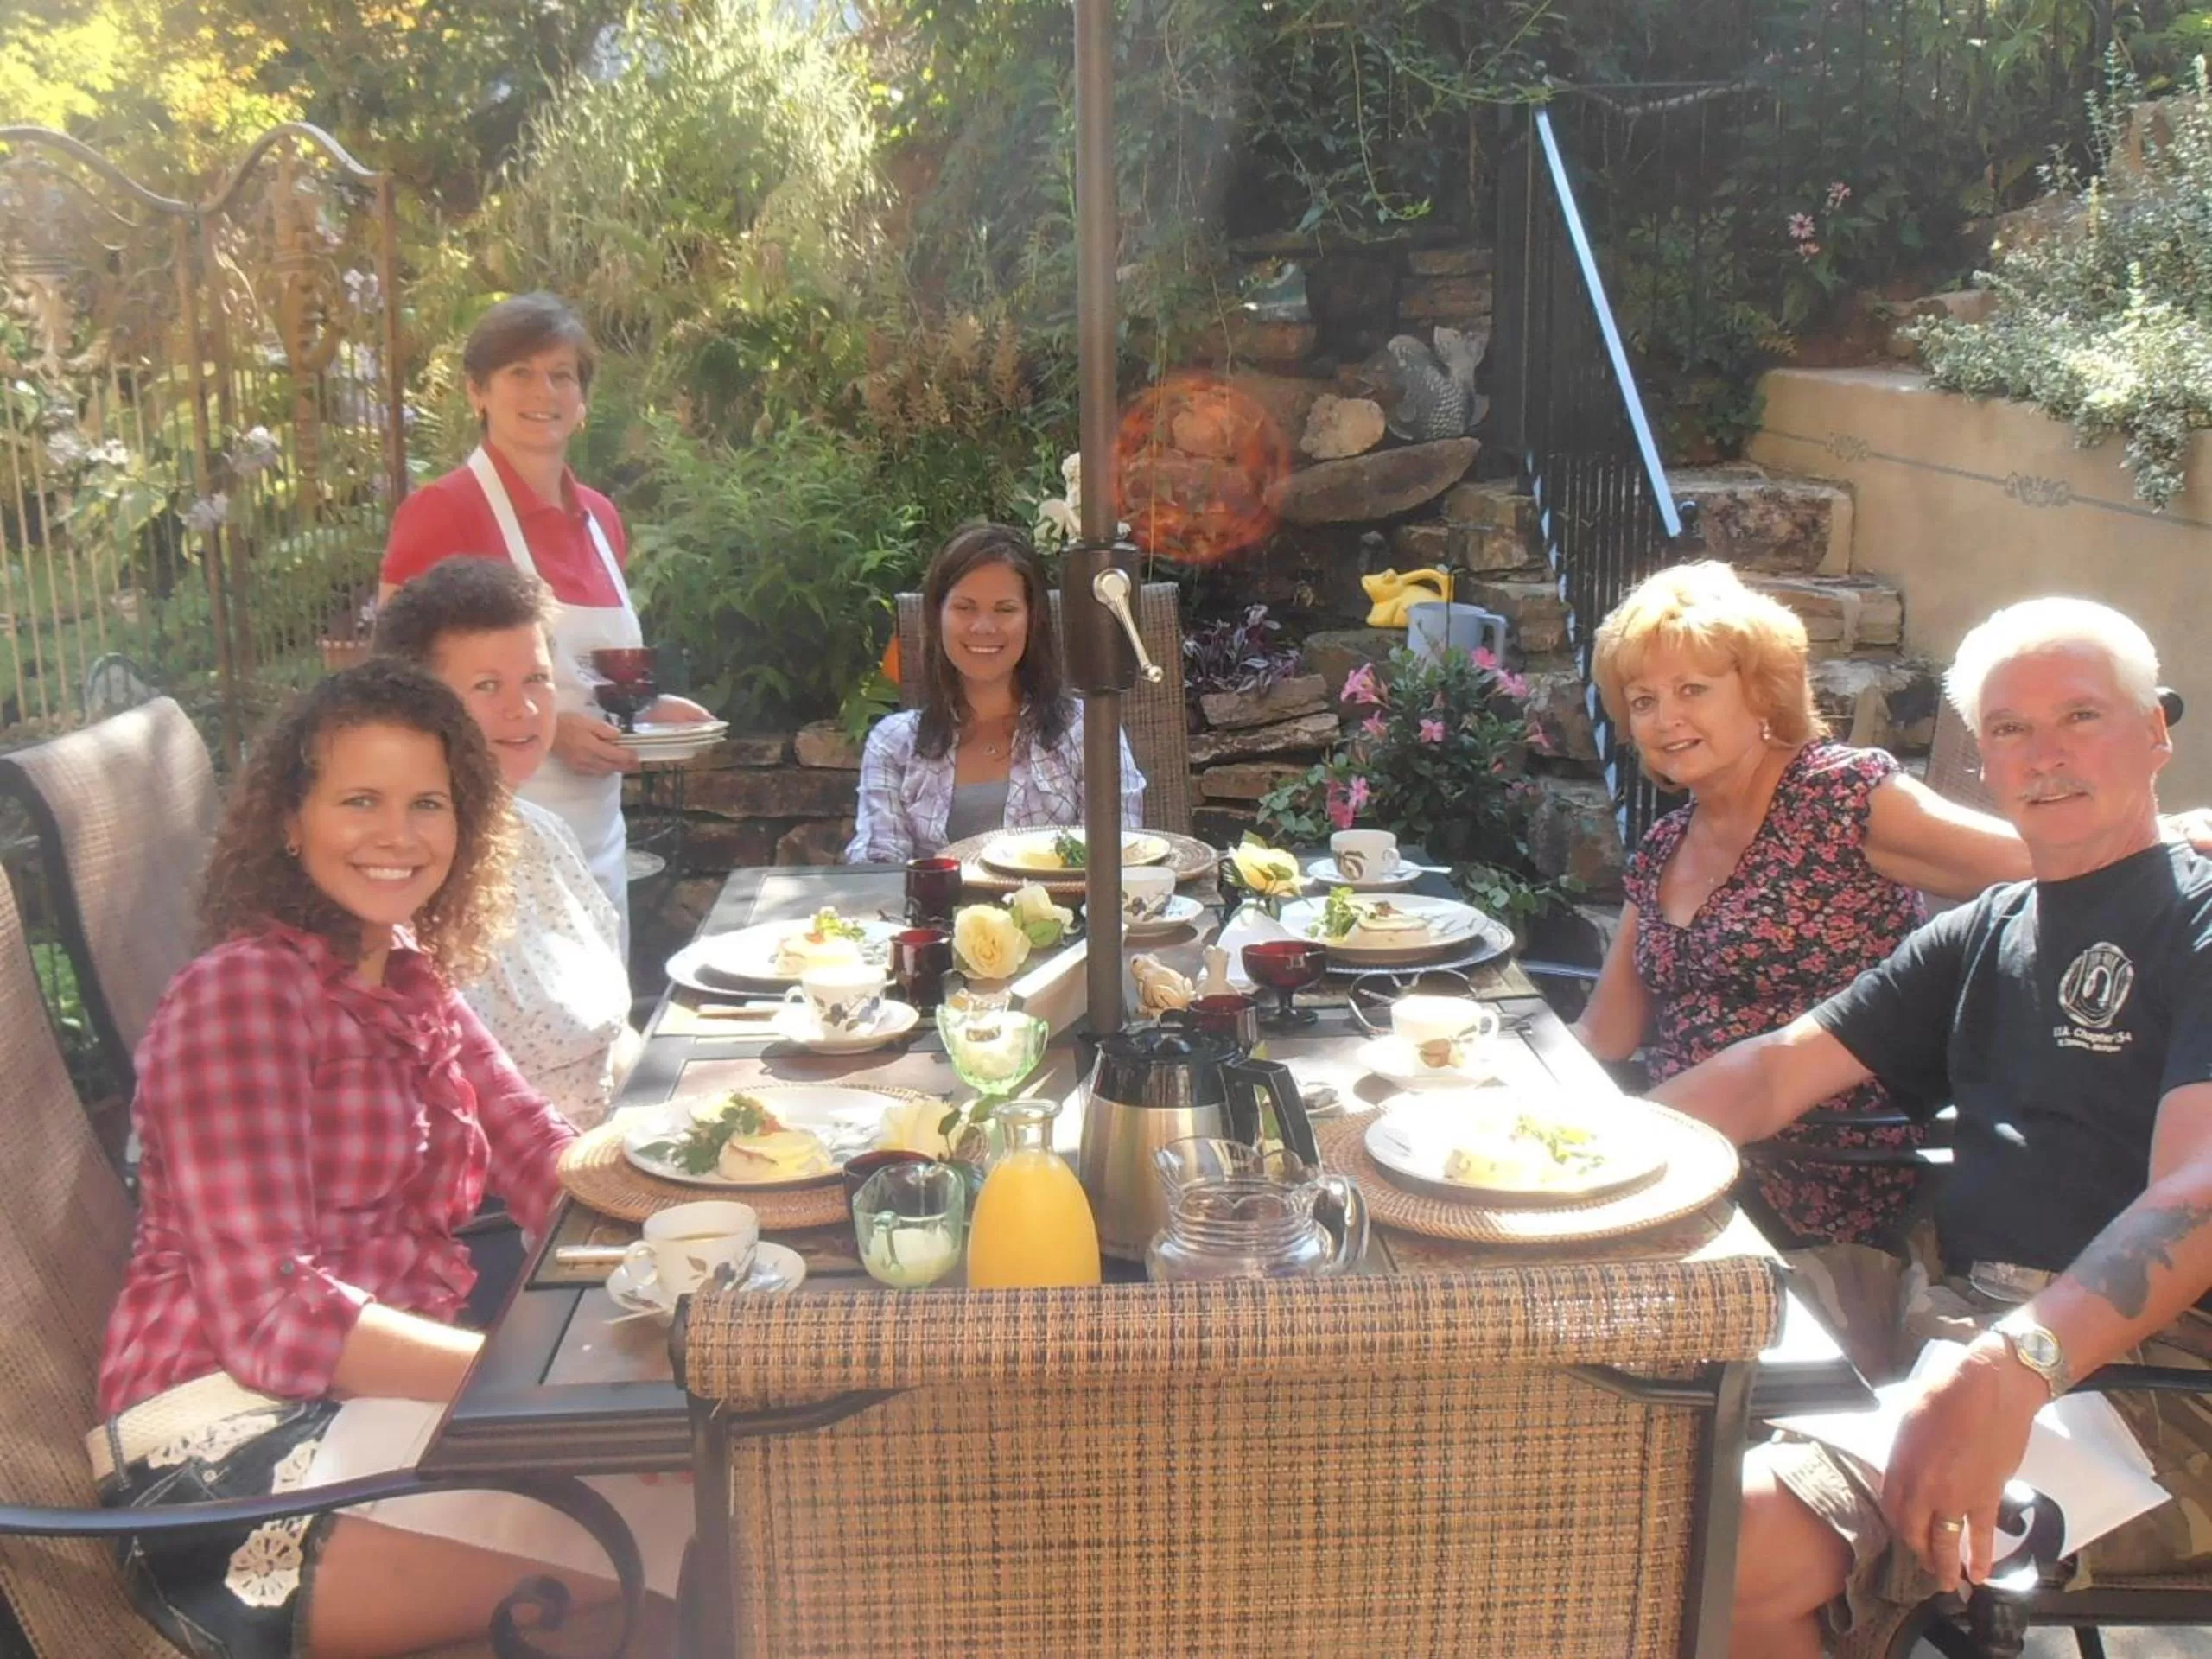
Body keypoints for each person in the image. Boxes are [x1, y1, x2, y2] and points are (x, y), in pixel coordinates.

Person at [1648, 597, 2212, 1657]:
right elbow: (1771, 1073)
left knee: (1715, 1550)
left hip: (2158, 1379)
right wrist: (1570, 1156)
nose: (2042, 755)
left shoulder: (2200, 919)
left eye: (2079, 716)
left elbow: (2199, 1191)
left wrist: (2015, 1361)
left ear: (2157, 732)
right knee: (1611, 1370)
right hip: (1943, 1306)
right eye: (2007, 729)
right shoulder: (1987, 927)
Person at [86, 661, 664, 1656]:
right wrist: (528, 1389)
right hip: (231, 1462)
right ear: (288, 820)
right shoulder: (243, 996)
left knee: (713, 1493)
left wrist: (720, 1207)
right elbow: (272, 1319)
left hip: (365, 1409)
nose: (397, 835)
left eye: (426, 803)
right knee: (690, 1556)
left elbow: (540, 1154)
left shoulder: (405, 976)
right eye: (360, 799)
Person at [1577, 561, 2203, 1249]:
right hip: (1700, 1146)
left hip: (1818, 1171)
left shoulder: (1838, 799)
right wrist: (1557, 1139)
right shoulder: (1666, 845)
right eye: (1642, 701)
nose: (1666, 719)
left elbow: (2056, 854)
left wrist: (2172, 838)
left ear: (1760, 693)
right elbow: (1622, 1037)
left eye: (1692, 689)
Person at [378, 290, 711, 950]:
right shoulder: (441, 513)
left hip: (599, 836)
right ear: (478, 392)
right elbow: (392, 685)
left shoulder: (601, 519)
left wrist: (645, 714)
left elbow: (586, 680)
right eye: (520, 373)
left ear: (583, 402)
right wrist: (550, 729)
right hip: (492, 841)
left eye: (562, 375)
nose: (544, 391)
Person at [373, 558, 637, 1128]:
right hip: (524, 1190)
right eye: (487, 686)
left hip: (624, 1140)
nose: (524, 709)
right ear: (418, 702)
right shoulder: (395, 872)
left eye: (536, 678)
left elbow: (619, 1033)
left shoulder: (540, 831)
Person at [845, 522, 1145, 863]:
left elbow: (1123, 858)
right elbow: (877, 868)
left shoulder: (1088, 732)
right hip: (929, 917)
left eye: (1005, 609)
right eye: (965, 607)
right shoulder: (893, 744)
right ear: (936, 615)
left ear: (1032, 621)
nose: (983, 627)